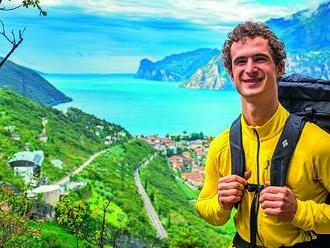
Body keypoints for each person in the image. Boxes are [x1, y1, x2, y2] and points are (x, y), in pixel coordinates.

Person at [196, 22, 330, 248]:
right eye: (240, 61)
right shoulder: (222, 145)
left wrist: (298, 210)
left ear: (279, 68)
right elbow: (207, 210)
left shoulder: (318, 143)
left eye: (260, 58)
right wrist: (221, 202)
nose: (250, 69)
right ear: (231, 74)